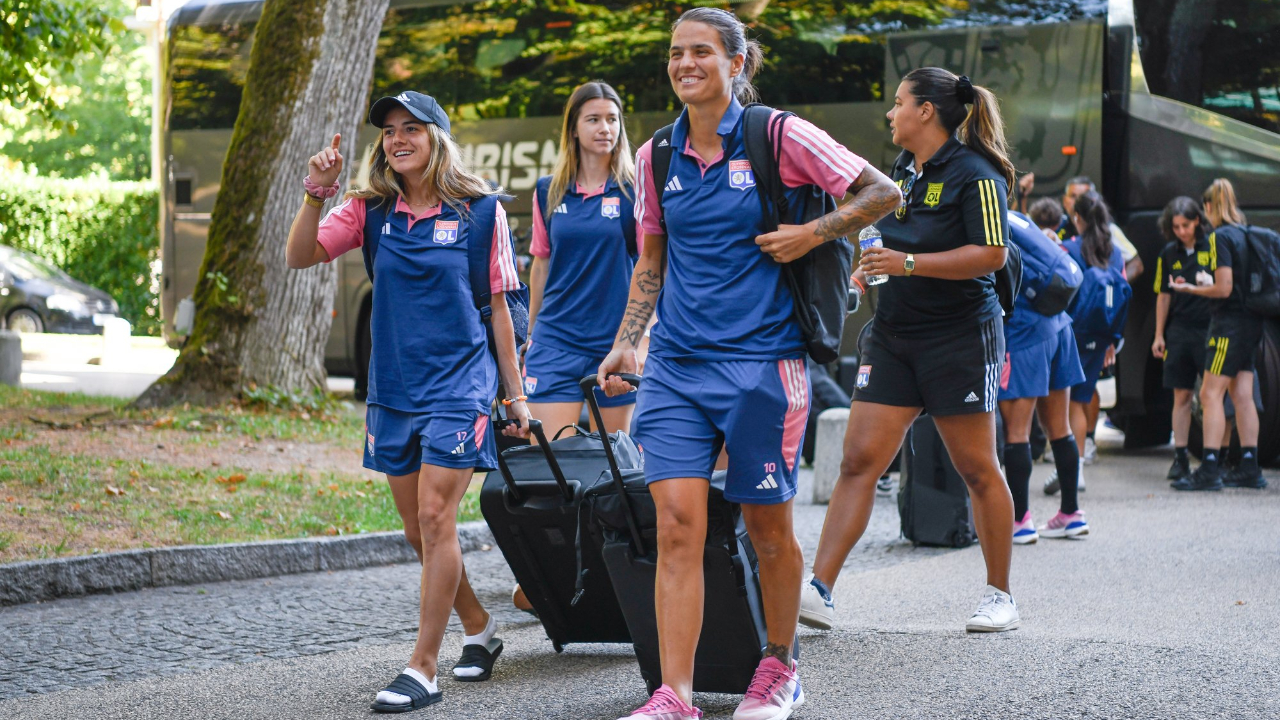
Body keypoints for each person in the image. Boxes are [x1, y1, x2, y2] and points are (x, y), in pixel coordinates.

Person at [598, 8, 901, 720]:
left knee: (767, 529)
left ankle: (780, 668)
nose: (685, 63)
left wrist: (812, 232)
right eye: (677, 52)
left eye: (702, 51)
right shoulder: (657, 154)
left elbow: (882, 192)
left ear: (737, 63)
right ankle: (674, 695)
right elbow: (652, 258)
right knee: (676, 524)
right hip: (676, 368)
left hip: (764, 366)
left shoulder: (779, 135)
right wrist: (627, 339)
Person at [286, 91, 531, 713]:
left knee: (435, 516)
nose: (398, 139)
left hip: (460, 386)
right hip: (393, 389)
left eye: (412, 129)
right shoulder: (368, 210)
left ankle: (422, 668)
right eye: (390, 130)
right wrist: (316, 193)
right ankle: (479, 627)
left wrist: (516, 396)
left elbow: (500, 310)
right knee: (418, 531)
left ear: (437, 139)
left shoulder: (481, 213)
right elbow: (299, 256)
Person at [800, 67, 1021, 635]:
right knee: (857, 462)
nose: (890, 113)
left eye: (899, 102)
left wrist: (908, 264)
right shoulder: (900, 170)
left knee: (977, 468)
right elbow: (887, 244)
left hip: (961, 338)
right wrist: (865, 272)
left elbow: (992, 254)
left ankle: (1000, 595)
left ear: (926, 111)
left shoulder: (978, 174)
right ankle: (819, 590)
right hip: (894, 336)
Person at [525, 80, 643, 438]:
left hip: (614, 344)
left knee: (615, 464)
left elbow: (651, 267)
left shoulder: (635, 190)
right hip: (555, 341)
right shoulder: (548, 190)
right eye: (593, 119)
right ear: (573, 129)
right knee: (551, 461)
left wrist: (638, 341)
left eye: (612, 119)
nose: (605, 128)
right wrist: (531, 334)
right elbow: (541, 265)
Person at [1169, 179, 1268, 490]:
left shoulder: (1219, 237)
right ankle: (1250, 467)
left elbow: (1223, 288)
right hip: (1251, 322)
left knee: (1209, 394)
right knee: (1242, 394)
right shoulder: (1245, 233)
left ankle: (1210, 469)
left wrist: (1192, 288)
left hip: (1228, 325)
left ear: (1209, 207)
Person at [999, 211, 1088, 544]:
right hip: (1059, 326)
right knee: (1059, 428)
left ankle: (1020, 521)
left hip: (1024, 333)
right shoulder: (1017, 218)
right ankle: (1071, 514)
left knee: (1017, 431)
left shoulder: (985, 221)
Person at [1054, 191, 1129, 496]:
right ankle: (1078, 467)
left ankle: (1071, 471)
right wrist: (1113, 338)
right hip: (1101, 336)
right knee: (1082, 400)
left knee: (1066, 401)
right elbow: (1120, 294)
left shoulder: (1069, 248)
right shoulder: (1115, 252)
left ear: (1077, 218)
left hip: (1071, 332)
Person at [1151, 197, 1215, 483]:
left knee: (1212, 396)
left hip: (1209, 328)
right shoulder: (1168, 253)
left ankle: (1216, 458)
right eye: (1176, 227)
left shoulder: (1213, 247)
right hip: (1179, 330)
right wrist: (1159, 334)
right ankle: (1180, 457)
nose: (1181, 232)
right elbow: (1163, 295)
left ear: (1197, 221)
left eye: (1186, 226)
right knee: (1181, 395)